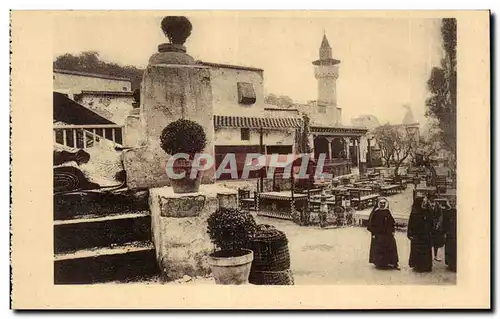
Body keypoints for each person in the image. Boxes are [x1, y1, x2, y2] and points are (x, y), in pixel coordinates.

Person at [367, 198, 400, 270]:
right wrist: (374, 233)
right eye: (381, 203)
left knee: (391, 246)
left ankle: (392, 262)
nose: (382, 205)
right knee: (379, 247)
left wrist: (392, 230)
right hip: (379, 234)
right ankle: (380, 263)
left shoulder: (387, 211)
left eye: (383, 203)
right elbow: (371, 224)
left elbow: (392, 222)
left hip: (388, 234)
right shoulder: (375, 212)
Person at [407, 196, 433, 272]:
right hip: (417, 236)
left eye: (425, 202)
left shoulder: (428, 211)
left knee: (426, 251)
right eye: (423, 202)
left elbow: (431, 221)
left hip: (426, 235)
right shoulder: (414, 212)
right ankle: (418, 266)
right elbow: (410, 224)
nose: (425, 204)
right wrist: (410, 234)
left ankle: (427, 266)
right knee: (418, 251)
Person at [425, 194, 445, 261]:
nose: (432, 199)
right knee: (428, 241)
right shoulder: (426, 205)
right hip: (428, 225)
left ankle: (435, 256)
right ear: (429, 198)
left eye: (433, 198)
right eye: (431, 197)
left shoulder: (437, 205)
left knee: (436, 241)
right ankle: (428, 257)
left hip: (436, 225)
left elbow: (440, 215)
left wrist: (438, 224)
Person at [442, 198, 457, 272]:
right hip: (449, 233)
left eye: (454, 202)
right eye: (450, 202)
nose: (452, 203)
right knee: (449, 248)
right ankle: (450, 264)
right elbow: (444, 223)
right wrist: (444, 232)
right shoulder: (447, 212)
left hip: (456, 233)